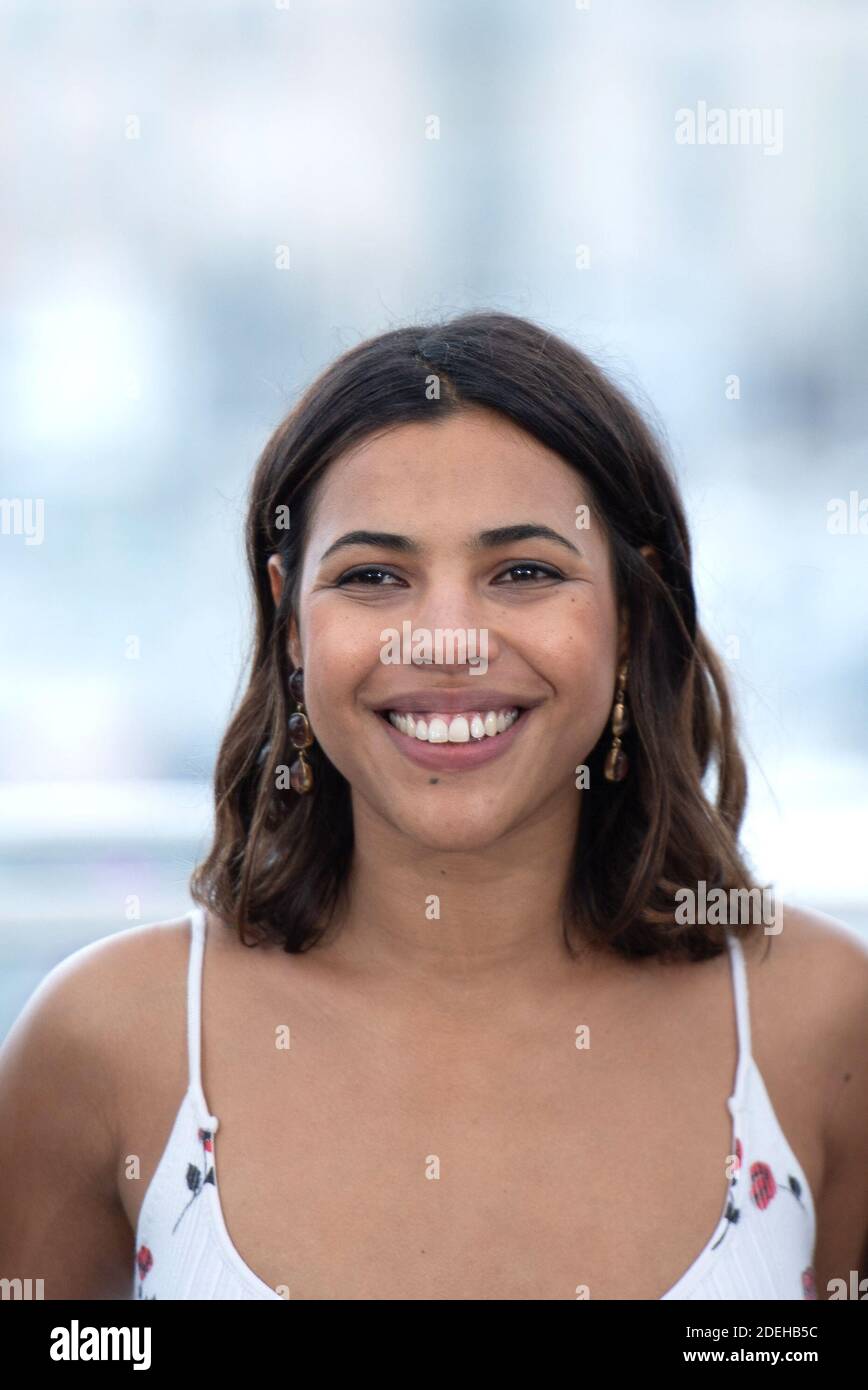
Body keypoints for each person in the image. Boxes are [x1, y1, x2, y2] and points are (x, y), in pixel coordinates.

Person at [1, 311, 865, 1301]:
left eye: (524, 572)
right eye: (373, 576)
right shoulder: (107, 1040)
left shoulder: (823, 1025)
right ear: (290, 623)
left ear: (631, 613)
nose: (444, 641)